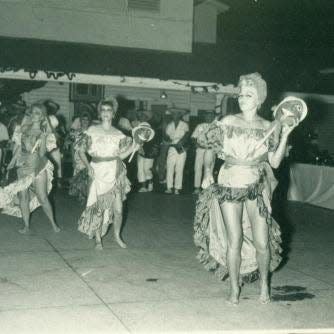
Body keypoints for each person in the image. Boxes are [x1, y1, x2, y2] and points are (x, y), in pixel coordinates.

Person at [194, 73, 297, 305]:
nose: (242, 98)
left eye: (248, 95)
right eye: (240, 94)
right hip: (229, 181)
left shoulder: (269, 126)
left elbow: (275, 162)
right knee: (235, 239)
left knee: (261, 241)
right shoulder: (228, 122)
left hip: (256, 185)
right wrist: (208, 173)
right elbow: (210, 147)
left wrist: (285, 136)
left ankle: (264, 285)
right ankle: (234, 288)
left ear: (259, 99)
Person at [76, 97, 140, 250]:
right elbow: (80, 151)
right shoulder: (91, 130)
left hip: (115, 171)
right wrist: (87, 166)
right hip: (97, 170)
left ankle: (117, 236)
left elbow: (120, 156)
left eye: (109, 110)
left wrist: (133, 148)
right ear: (99, 113)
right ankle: (98, 239)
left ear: (113, 114)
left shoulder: (118, 134)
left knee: (118, 210)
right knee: (98, 207)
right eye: (103, 110)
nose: (106, 113)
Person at [0, 102, 61, 233]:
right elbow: (16, 148)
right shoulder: (22, 129)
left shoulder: (44, 132)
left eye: (38, 113)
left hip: (38, 165)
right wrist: (11, 162)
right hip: (22, 166)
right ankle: (26, 226)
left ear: (42, 117)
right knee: (23, 197)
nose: (34, 115)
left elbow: (42, 153)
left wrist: (43, 139)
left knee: (42, 196)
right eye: (33, 112)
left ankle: (54, 224)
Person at [68, 111, 92, 202]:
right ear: (80, 121)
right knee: (79, 175)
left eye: (87, 120)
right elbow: (71, 146)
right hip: (78, 156)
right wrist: (73, 160)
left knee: (87, 175)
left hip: (89, 156)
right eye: (83, 119)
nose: (85, 121)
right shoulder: (75, 132)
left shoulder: (92, 132)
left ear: (89, 121)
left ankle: (86, 194)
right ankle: (81, 194)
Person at [165, 107, 190, 195]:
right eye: (173, 114)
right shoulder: (169, 125)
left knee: (179, 168)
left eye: (177, 114)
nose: (175, 115)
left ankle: (177, 188)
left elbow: (187, 135)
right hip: (172, 147)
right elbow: (167, 137)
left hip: (181, 147)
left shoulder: (184, 124)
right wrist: (167, 141)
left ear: (180, 115)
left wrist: (181, 142)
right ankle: (169, 187)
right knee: (169, 166)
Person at [191, 111, 216, 194]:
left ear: (213, 117)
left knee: (209, 168)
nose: (209, 117)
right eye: (207, 116)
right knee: (197, 168)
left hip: (211, 150)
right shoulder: (200, 126)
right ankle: (197, 187)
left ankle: (207, 187)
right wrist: (197, 145)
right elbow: (193, 137)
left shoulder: (217, 126)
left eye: (211, 116)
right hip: (200, 150)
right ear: (205, 117)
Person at [136, 110, 160, 192]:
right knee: (140, 168)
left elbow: (152, 140)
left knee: (147, 169)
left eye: (143, 116)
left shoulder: (151, 127)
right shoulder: (137, 126)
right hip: (139, 150)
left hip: (150, 151)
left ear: (147, 118)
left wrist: (144, 146)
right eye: (140, 115)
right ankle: (143, 186)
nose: (141, 117)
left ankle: (150, 181)